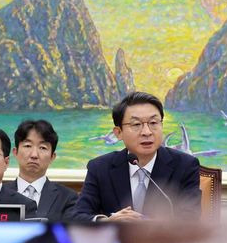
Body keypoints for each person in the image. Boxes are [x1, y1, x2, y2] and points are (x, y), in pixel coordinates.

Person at [75, 91, 201, 222]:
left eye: (153, 123)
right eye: (136, 124)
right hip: (115, 235)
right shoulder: (100, 168)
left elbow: (190, 219)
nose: (147, 132)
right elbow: (77, 216)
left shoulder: (185, 165)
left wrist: (144, 223)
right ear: (118, 133)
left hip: (164, 236)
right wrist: (106, 222)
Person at [4, 120, 78, 222]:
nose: (34, 155)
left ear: (52, 157)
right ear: (15, 152)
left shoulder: (67, 198)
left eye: (42, 148)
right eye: (27, 146)